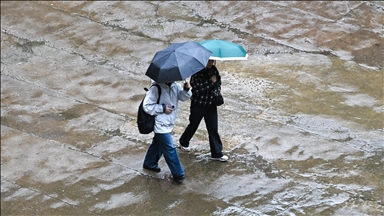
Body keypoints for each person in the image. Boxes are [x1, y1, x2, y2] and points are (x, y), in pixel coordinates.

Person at [142, 80, 192, 184]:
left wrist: (186, 89)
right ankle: (178, 174)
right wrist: (162, 108)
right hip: (159, 124)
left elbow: (182, 97)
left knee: (158, 144)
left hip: (169, 122)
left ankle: (149, 163)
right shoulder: (156, 88)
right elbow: (146, 106)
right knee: (170, 148)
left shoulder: (175, 86)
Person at [178, 60, 228, 162]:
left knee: (213, 128)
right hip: (198, 104)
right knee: (193, 124)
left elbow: (218, 82)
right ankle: (183, 142)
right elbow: (197, 88)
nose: (210, 63)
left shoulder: (214, 70)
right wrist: (211, 83)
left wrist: (216, 88)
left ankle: (217, 153)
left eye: (212, 61)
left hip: (211, 104)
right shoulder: (197, 71)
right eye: (208, 61)